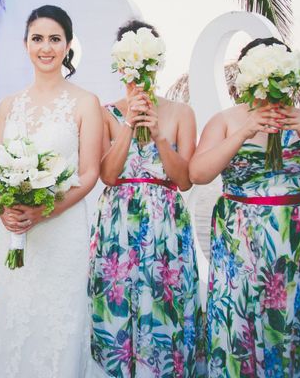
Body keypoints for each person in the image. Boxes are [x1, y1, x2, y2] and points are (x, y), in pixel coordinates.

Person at [0, 5, 102, 377]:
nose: (45, 47)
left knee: (57, 323)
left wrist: (44, 211)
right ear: (26, 44)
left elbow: (89, 173)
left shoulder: (85, 103)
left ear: (68, 45)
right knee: (13, 317)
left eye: (55, 39)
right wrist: (4, 211)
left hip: (61, 233)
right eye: (37, 39)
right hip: (13, 231)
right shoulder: (8, 105)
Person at [89, 20, 204, 377]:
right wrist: (127, 125)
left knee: (165, 306)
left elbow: (184, 180)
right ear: (119, 65)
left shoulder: (182, 113)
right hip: (118, 225)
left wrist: (157, 134)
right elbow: (107, 175)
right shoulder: (106, 112)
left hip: (166, 224)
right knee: (117, 302)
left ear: (157, 64)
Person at [190, 37, 300, 377]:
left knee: (291, 322)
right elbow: (198, 173)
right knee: (238, 320)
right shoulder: (227, 120)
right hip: (240, 245)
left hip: (296, 244)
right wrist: (242, 133)